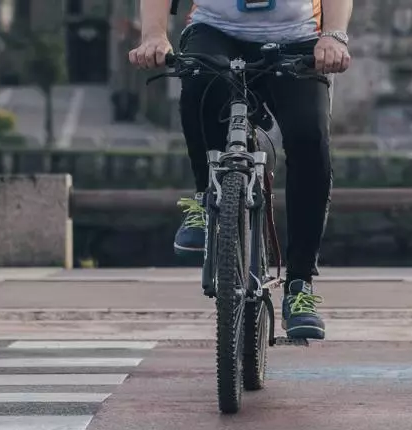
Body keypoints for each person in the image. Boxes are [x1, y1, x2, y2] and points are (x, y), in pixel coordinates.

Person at [128, 0, 353, 340]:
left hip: (298, 37)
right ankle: (205, 199)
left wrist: (334, 37)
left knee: (310, 139)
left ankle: (300, 285)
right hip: (216, 31)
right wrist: (154, 34)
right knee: (198, 85)